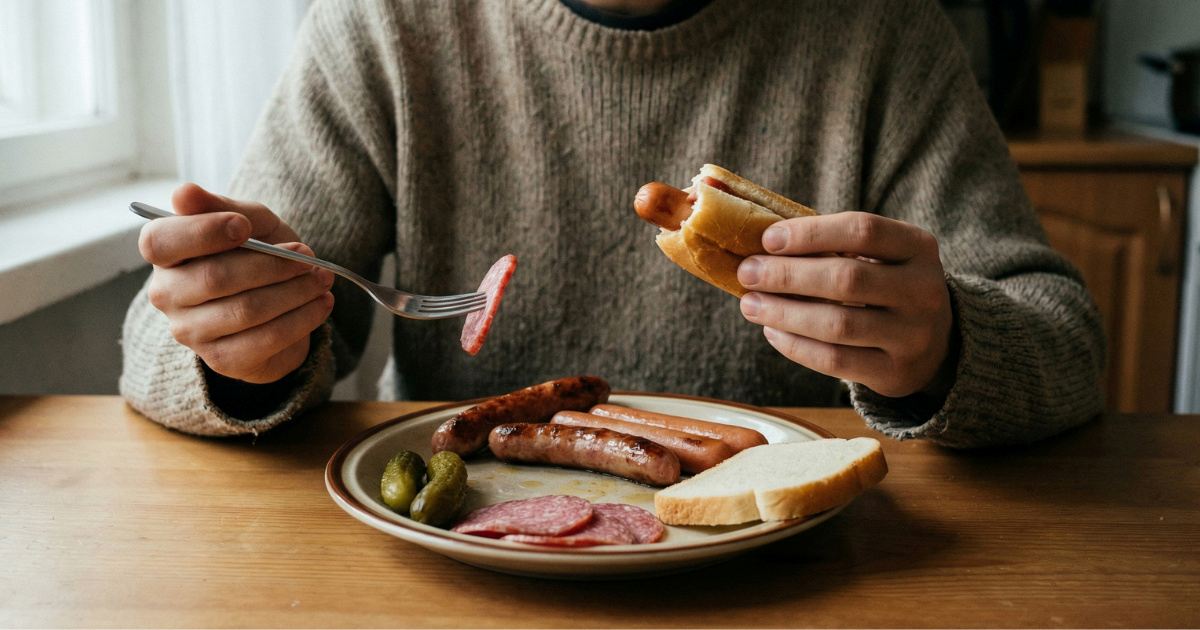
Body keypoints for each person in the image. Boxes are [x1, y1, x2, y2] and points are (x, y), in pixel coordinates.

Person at [119, 0, 1105, 447]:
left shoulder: (882, 30)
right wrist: (229, 345)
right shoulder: (382, 26)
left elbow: (1067, 344)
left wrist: (944, 345)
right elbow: (163, 343)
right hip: (456, 578)